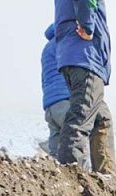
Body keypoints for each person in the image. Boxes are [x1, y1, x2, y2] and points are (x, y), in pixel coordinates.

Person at [54, 0, 115, 174]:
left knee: (102, 118)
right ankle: (71, 173)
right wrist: (88, 26)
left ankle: (105, 175)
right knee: (81, 116)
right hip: (85, 55)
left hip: (75, 55)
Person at [41, 24, 70, 158]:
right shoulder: (62, 43)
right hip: (65, 98)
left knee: (56, 147)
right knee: (74, 139)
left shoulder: (46, 49)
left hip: (50, 103)